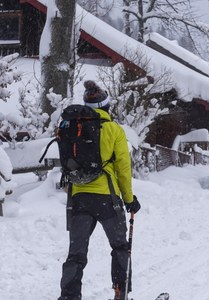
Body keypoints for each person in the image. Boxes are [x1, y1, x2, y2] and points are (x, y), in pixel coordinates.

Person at [59, 81, 141, 300]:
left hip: (79, 198)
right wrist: (129, 199)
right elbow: (123, 168)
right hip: (107, 199)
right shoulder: (114, 129)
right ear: (106, 106)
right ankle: (119, 292)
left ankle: (69, 296)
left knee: (76, 254)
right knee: (120, 247)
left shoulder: (74, 127)